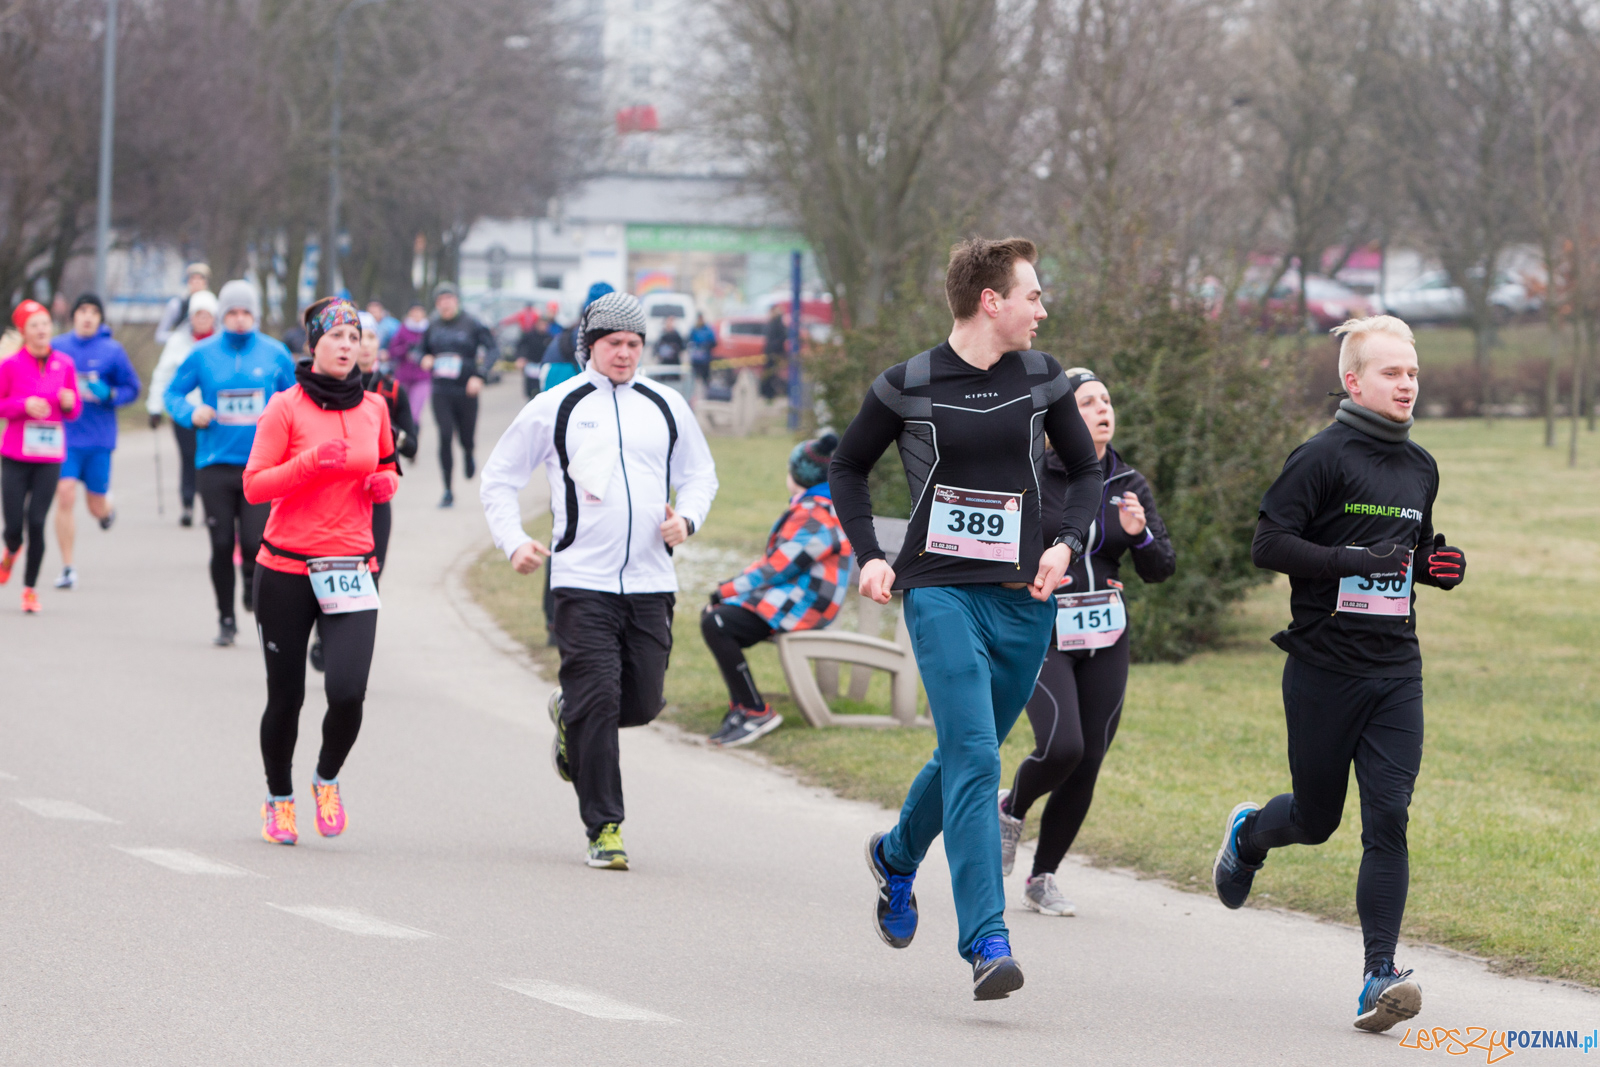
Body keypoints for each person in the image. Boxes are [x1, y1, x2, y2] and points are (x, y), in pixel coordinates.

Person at [829, 237, 1101, 1001]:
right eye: (1033, 296)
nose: (1042, 310)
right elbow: (846, 467)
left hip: (1023, 601)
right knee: (978, 757)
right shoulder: (908, 383)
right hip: (940, 590)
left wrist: (1065, 542)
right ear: (993, 301)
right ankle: (986, 937)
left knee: (963, 753)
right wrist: (869, 554)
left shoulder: (1043, 379)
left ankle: (894, 854)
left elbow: (1084, 472)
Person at [1212, 315, 1467, 1034]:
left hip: (1395, 671)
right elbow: (1268, 543)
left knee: (1388, 816)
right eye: (1392, 372)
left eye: (1413, 372)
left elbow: (1413, 551)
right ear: (1354, 381)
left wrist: (1438, 565)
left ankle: (1379, 975)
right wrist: (1353, 559)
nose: (1407, 384)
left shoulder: (1420, 465)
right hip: (1324, 668)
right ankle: (1249, 834)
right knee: (1318, 819)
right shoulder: (1321, 457)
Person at [481, 291, 718, 871]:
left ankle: (570, 715)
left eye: (634, 344)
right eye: (614, 343)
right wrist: (514, 542)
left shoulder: (665, 404)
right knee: (599, 697)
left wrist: (686, 519)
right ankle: (605, 827)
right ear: (591, 345)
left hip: (649, 581)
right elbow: (499, 479)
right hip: (581, 580)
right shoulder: (556, 405)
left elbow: (700, 475)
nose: (625, 354)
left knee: (640, 702)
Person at [996, 369, 1175, 917]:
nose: (1102, 409)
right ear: (1060, 420)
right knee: (1063, 746)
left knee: (1089, 759)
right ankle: (1012, 806)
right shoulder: (1031, 474)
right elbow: (1001, 547)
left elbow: (1161, 567)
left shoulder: (1129, 482)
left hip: (1104, 633)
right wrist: (1036, 571)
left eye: (1106, 400)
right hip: (1041, 630)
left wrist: (1141, 533)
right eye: (1086, 402)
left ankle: (1042, 877)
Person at [243, 297, 399, 846]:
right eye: (336, 337)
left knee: (349, 693)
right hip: (286, 568)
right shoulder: (285, 407)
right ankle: (278, 798)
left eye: (354, 337)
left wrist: (386, 485)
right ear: (314, 346)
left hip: (352, 566)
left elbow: (385, 466)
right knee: (286, 697)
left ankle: (326, 779)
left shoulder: (375, 408)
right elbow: (255, 485)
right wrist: (309, 463)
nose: (346, 346)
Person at [165, 280, 296, 647]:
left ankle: (250, 584)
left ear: (256, 314)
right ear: (223, 316)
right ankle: (226, 619)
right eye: (233, 313)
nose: (240, 320)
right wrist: (192, 411)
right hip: (215, 464)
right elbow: (172, 393)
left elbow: (295, 399)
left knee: (256, 544)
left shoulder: (275, 353)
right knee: (221, 543)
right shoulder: (202, 353)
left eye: (246, 312)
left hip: (262, 466)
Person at [703, 433, 850, 747]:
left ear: (797, 475)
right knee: (717, 618)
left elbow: (776, 567)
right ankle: (743, 707)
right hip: (796, 598)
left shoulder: (816, 514)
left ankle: (755, 710)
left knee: (718, 621)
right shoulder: (817, 506)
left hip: (805, 606)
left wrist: (725, 590)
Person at [308, 311, 419, 675]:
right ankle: (324, 630)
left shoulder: (390, 390)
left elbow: (413, 445)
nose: (364, 346)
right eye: (358, 338)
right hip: (334, 500)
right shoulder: (327, 386)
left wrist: (396, 437)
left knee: (371, 573)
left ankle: (344, 641)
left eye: (369, 338)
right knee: (324, 569)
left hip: (375, 499)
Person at [50, 294, 142, 588]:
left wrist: (111, 395)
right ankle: (68, 568)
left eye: (93, 312)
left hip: (99, 439)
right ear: (73, 316)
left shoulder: (112, 351)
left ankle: (107, 510)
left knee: (95, 506)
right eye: (82, 311)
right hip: (64, 437)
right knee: (64, 494)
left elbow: (132, 388)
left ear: (101, 318)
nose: (87, 317)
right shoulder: (57, 347)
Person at [0, 300, 80, 612]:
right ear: (23, 331)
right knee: (14, 527)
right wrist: (24, 405)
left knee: (37, 522)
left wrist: (70, 402)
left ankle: (30, 590)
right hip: (16, 456)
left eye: (46, 323)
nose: (43, 329)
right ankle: (10, 550)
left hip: (49, 457)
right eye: (35, 325)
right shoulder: (10, 365)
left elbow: (73, 412)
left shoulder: (65, 364)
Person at [420, 282, 495, 507]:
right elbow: (420, 350)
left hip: (466, 390)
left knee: (465, 436)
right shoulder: (432, 326)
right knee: (444, 435)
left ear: (457, 301)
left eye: (449, 299)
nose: (445, 304)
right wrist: (423, 358)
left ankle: (469, 452)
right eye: (441, 300)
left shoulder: (471, 324)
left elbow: (493, 349)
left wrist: (480, 375)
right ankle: (447, 490)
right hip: (441, 390)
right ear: (437, 304)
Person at [147, 291, 218, 526]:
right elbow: (163, 376)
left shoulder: (221, 342)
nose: (203, 319)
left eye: (207, 315)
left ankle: (211, 508)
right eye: (198, 314)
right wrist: (155, 408)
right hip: (185, 413)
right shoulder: (177, 342)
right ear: (191, 317)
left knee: (211, 461)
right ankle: (187, 505)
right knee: (189, 458)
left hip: (214, 414)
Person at [388, 302, 431, 425]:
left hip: (422, 377)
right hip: (404, 377)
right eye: (414, 311)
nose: (417, 314)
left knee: (414, 414)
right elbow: (393, 351)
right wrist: (406, 349)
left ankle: (414, 437)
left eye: (419, 311)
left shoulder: (429, 330)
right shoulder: (403, 329)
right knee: (401, 410)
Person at [154, 262, 212, 345]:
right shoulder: (177, 305)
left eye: (200, 278)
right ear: (188, 281)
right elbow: (160, 336)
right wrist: (182, 339)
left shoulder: (214, 305)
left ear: (206, 282)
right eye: (193, 278)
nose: (196, 282)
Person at [514, 308, 552, 400]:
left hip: (543, 366)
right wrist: (520, 358)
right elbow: (519, 346)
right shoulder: (529, 335)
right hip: (531, 365)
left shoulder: (549, 337)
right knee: (531, 392)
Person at [761, 307, 787, 399]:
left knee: (772, 373)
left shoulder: (777, 323)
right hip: (771, 352)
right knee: (769, 373)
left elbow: (780, 338)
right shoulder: (773, 323)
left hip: (774, 352)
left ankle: (769, 392)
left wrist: (773, 348)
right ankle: (767, 392)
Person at [687, 314, 716, 386]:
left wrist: (705, 347)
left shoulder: (708, 330)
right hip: (696, 359)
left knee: (705, 377)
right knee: (694, 377)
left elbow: (713, 342)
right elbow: (688, 340)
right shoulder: (694, 329)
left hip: (705, 358)